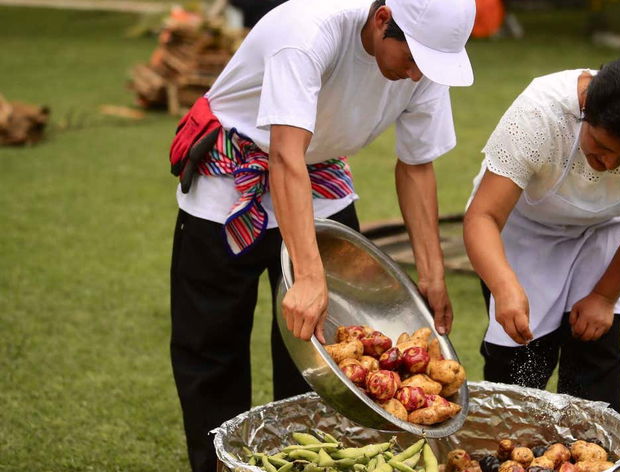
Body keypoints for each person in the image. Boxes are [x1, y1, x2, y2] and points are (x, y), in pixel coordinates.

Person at [168, 0, 476, 470]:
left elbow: (416, 166)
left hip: (320, 179)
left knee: (325, 358)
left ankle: (305, 463)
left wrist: (432, 275)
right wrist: (309, 276)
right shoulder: (308, 33)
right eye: (412, 60)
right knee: (214, 348)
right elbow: (285, 156)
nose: (418, 75)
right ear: (382, 19)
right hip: (231, 176)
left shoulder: (424, 59)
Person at [463, 57, 620, 413]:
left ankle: (593, 458)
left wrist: (604, 296)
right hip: (525, 226)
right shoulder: (540, 112)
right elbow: (484, 216)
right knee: (520, 361)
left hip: (607, 228)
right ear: (585, 110)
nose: (610, 164)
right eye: (602, 146)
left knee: (594, 354)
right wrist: (505, 287)